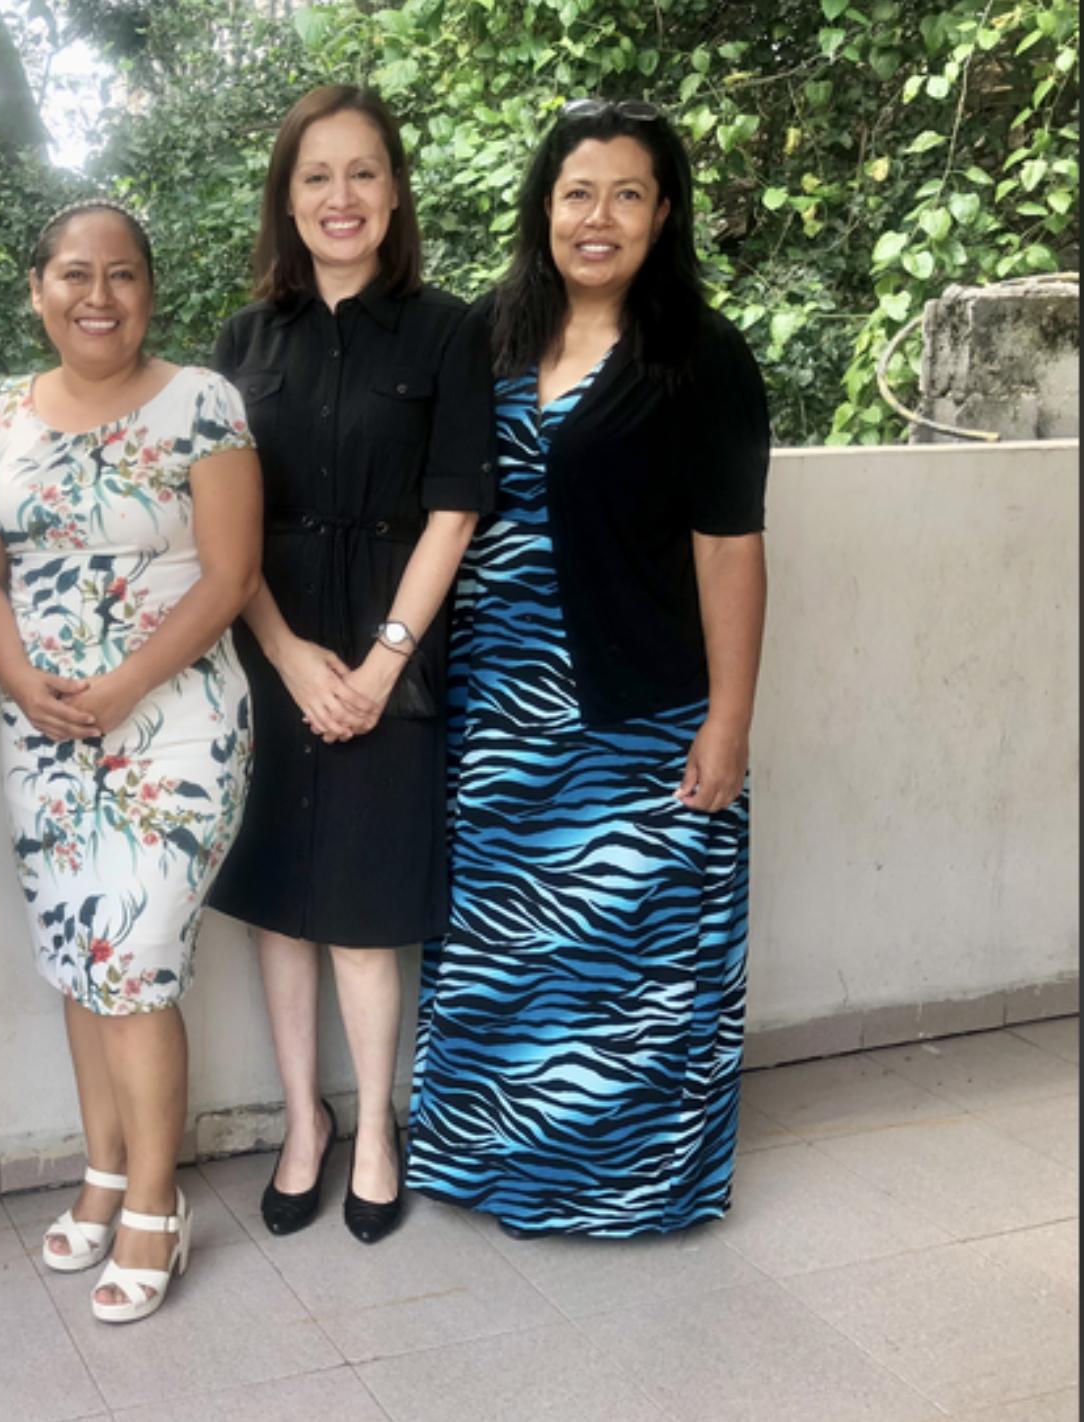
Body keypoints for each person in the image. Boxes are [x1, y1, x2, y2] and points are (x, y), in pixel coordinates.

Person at [407, 99, 769, 1237]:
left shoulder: (703, 358)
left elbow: (732, 554)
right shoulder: (491, 335)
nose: (598, 216)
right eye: (577, 192)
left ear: (663, 213)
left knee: (632, 970)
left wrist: (730, 723)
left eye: (626, 193)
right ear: (544, 208)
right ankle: (494, 1168)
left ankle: (625, 1183)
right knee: (509, 948)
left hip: (639, 710)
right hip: (497, 706)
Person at [0, 199, 261, 1322]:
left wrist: (128, 682)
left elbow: (229, 574)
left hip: (175, 721)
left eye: (123, 274)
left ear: (150, 291)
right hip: (45, 729)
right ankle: (100, 1169)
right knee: (79, 959)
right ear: (37, 289)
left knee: (131, 955)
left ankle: (154, 1206)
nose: (98, 295)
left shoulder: (204, 405)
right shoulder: (1, 412)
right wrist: (21, 682)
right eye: (74, 275)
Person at [205, 86, 492, 1244]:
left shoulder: (448, 331)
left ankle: (377, 1125)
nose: (341, 197)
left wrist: (377, 666)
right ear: (287, 195)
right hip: (271, 647)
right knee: (282, 908)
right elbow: (223, 525)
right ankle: (301, 1122)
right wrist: (284, 653)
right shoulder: (243, 340)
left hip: (395, 653)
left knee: (368, 915)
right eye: (316, 175)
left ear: (395, 190)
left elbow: (456, 509)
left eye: (363, 172)